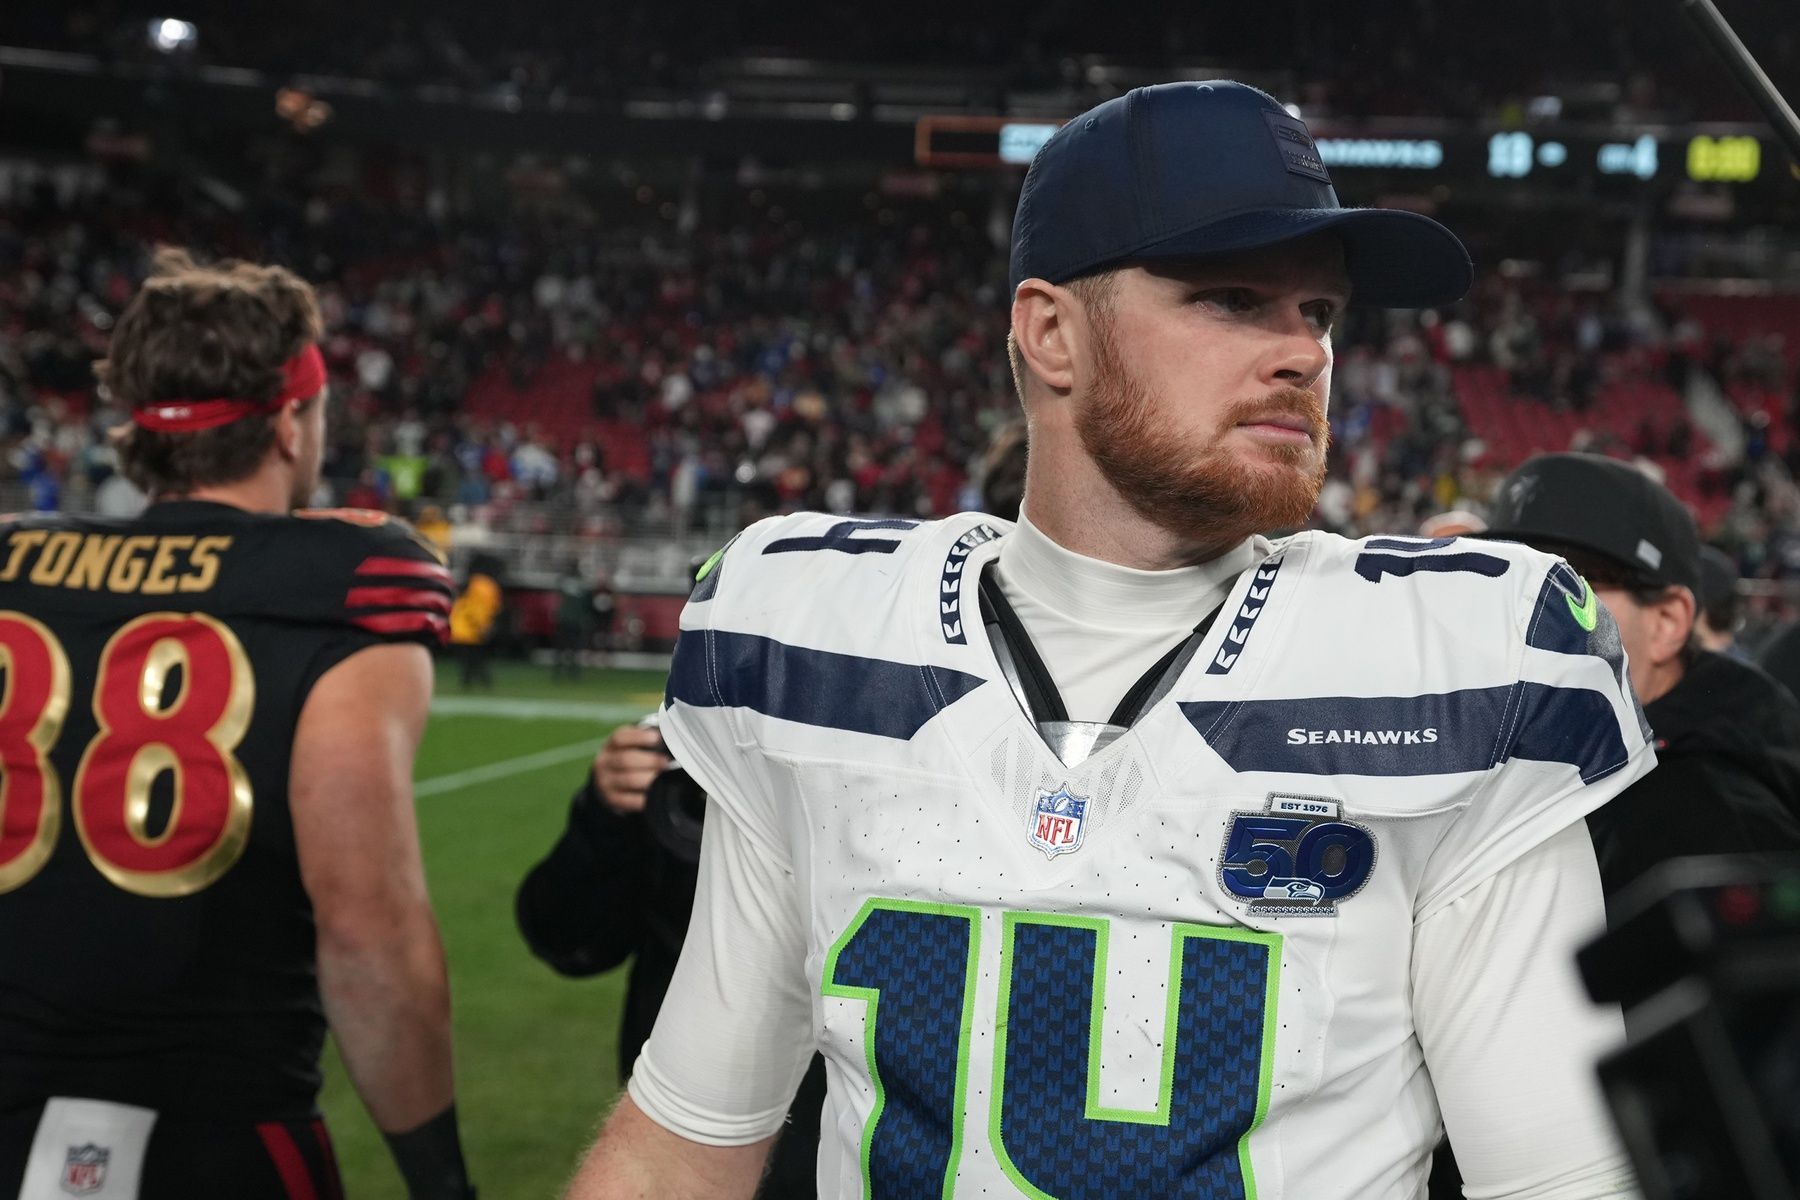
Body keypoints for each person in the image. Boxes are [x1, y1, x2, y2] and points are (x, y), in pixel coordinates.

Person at [569, 82, 1649, 1199]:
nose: (1302, 356)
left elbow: (1561, 1181)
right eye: (1233, 298)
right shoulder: (815, 635)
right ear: (1051, 334)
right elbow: (683, 1142)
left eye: (1317, 314)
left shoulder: (1456, 664)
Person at [0, 249, 475, 1199]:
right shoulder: (348, 581)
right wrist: (441, 1184)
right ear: (292, 422)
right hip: (217, 1137)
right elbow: (366, 932)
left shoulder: (15, 562)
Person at [516, 719, 827, 1198]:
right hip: (676, 1128)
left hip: (830, 1133)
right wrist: (605, 814)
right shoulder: (692, 738)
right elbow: (565, 938)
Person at [1480, 452, 1800, 882]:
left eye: (1563, 582)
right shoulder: (1534, 760)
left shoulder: (1705, 823)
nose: (1515, 607)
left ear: (1666, 623)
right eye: (1496, 577)